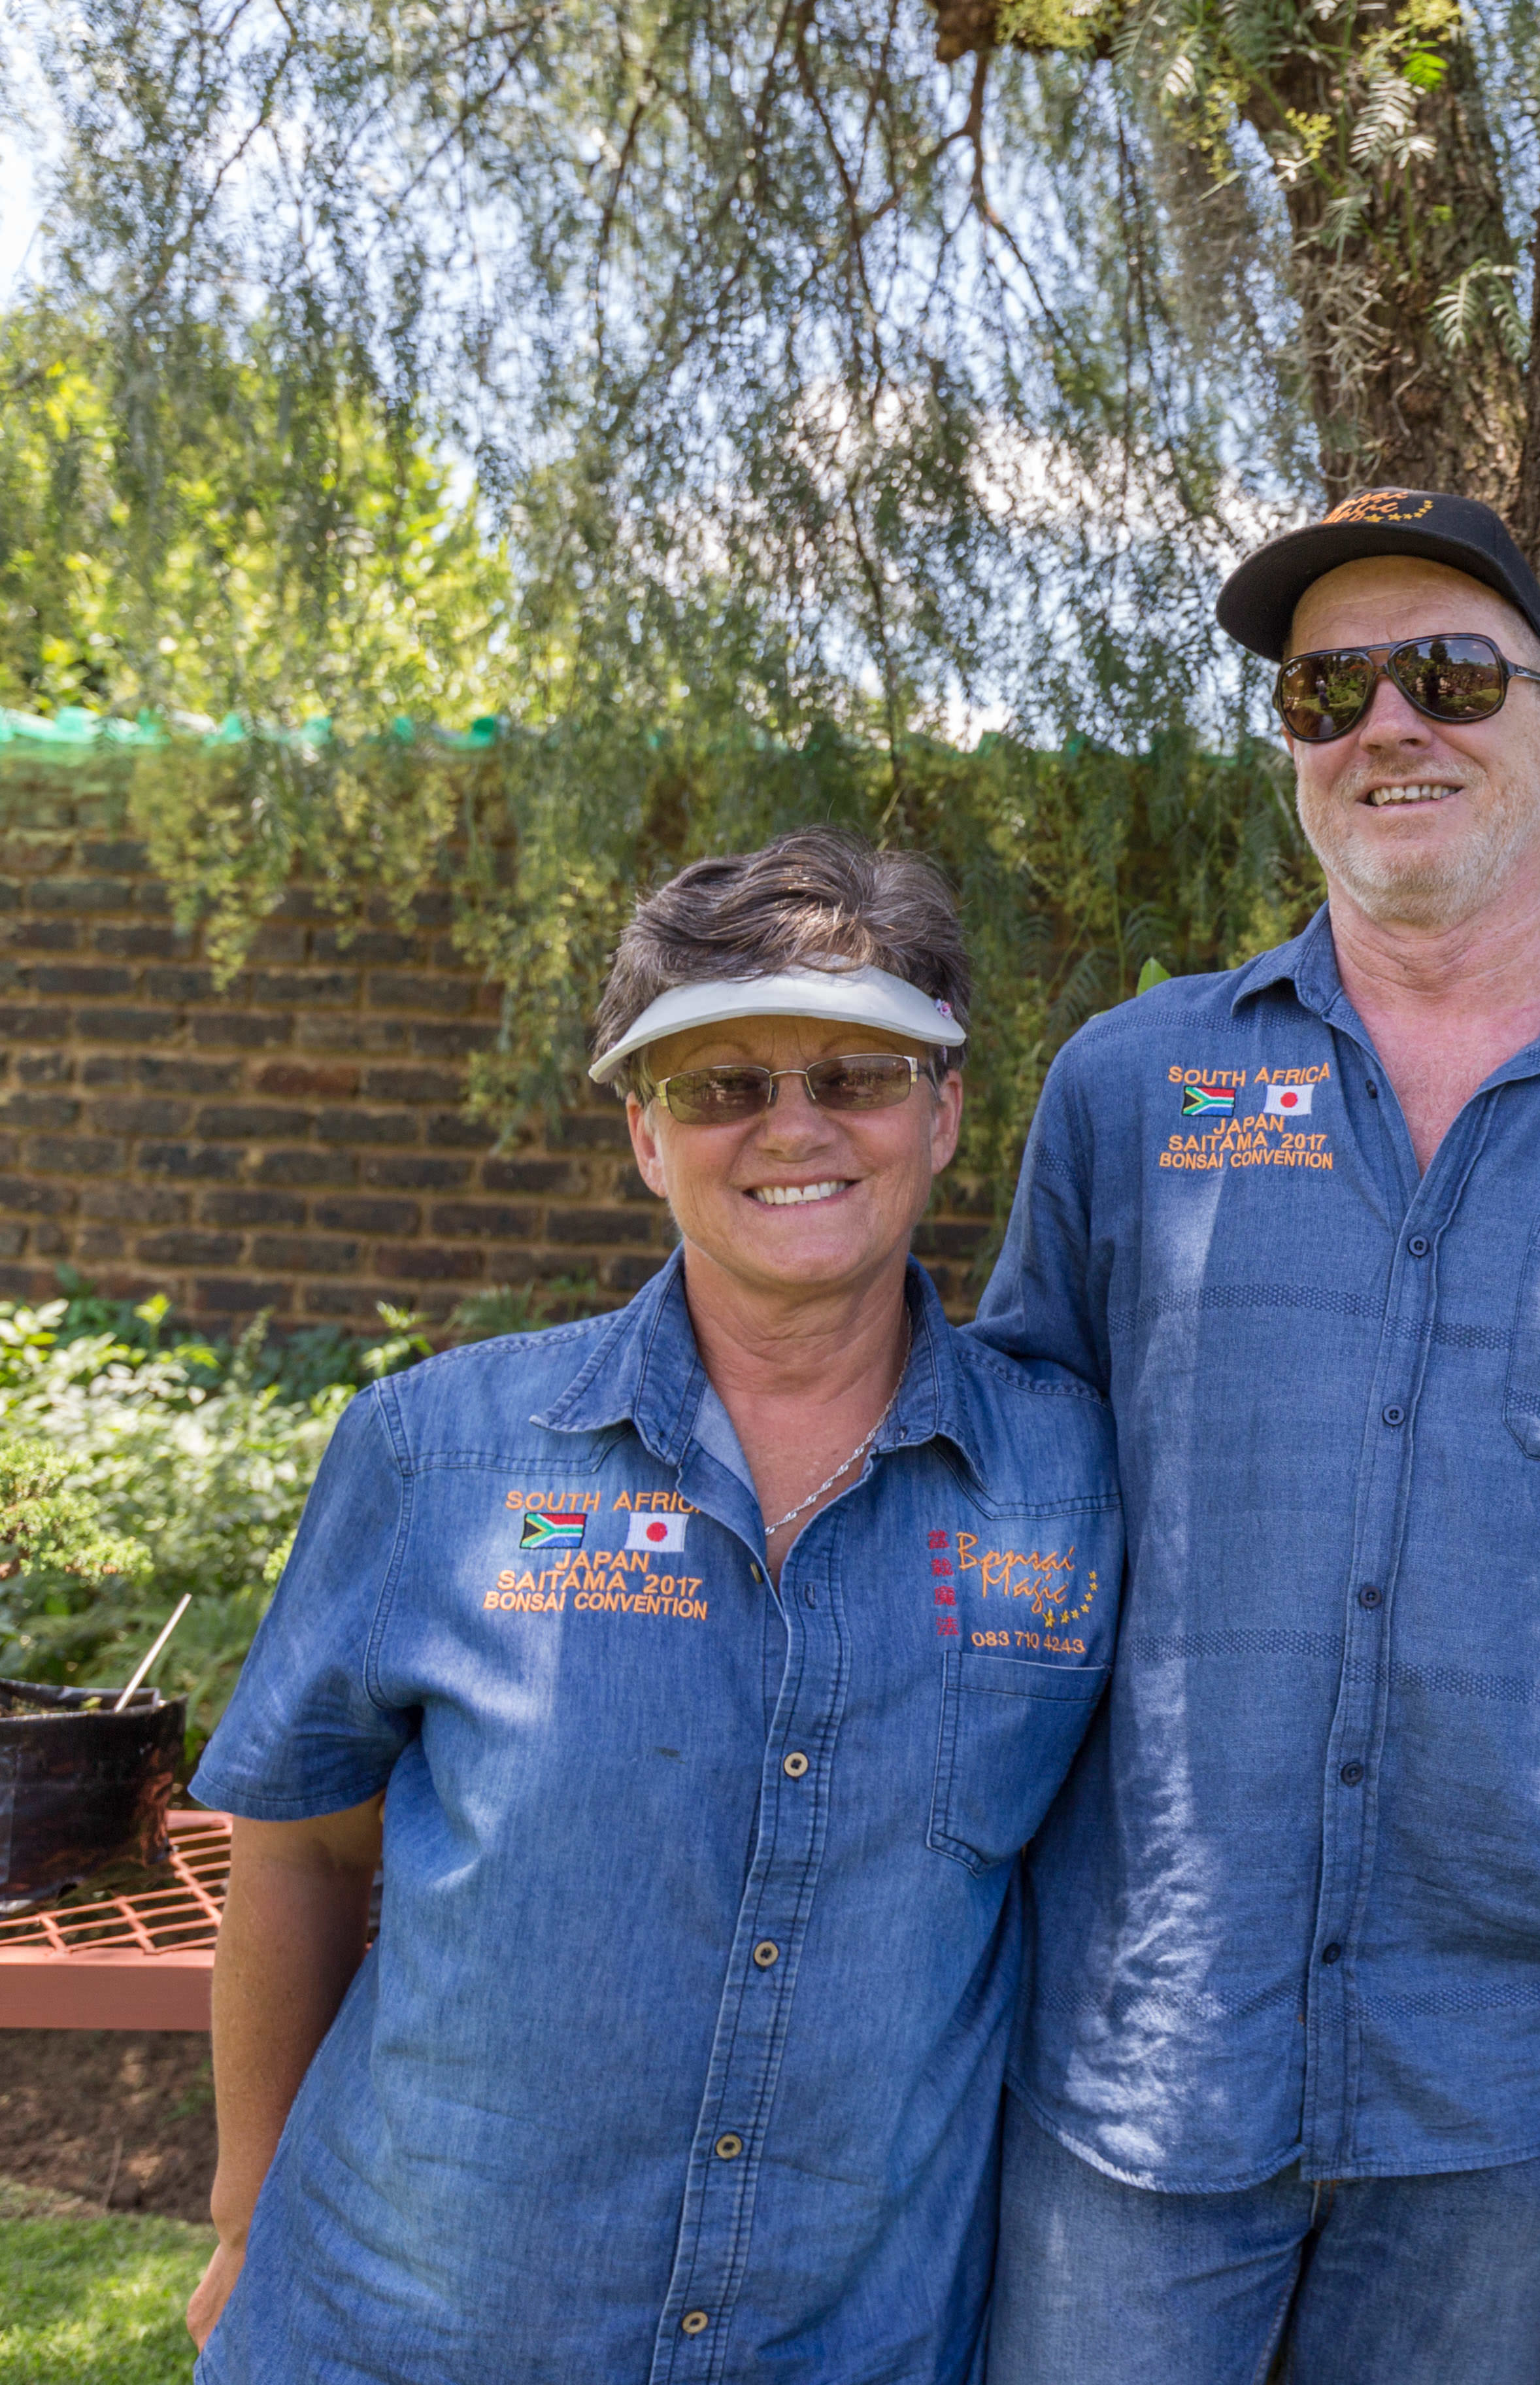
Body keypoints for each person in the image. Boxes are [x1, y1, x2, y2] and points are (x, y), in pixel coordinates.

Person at [973, 490, 1540, 2382]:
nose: (1390, 727)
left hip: (1506, 2078)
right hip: (1141, 2052)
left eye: (1451, 676)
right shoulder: (1131, 1088)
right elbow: (1002, 1550)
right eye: (1327, 690)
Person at [182, 828, 1122, 2380]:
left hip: (851, 2349)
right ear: (643, 1133)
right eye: (721, 1084)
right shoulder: (437, 1455)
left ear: (947, 1112)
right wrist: (239, 2220)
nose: (794, 1127)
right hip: (411, 2336)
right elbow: (296, 1857)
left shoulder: (1076, 1485)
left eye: (860, 1074)